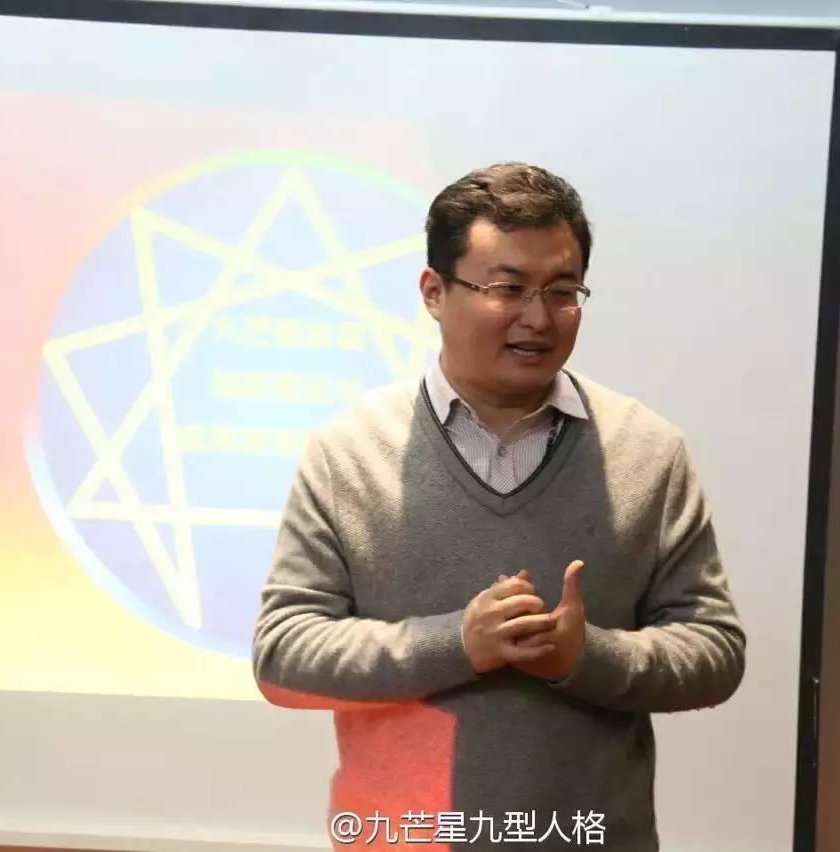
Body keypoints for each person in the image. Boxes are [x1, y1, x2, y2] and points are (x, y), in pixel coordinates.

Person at [252, 162, 745, 851]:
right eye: (507, 288)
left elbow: (714, 649)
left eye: (563, 291)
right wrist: (457, 643)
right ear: (434, 291)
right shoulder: (350, 452)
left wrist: (585, 656)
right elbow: (284, 652)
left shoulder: (647, 450)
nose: (538, 318)